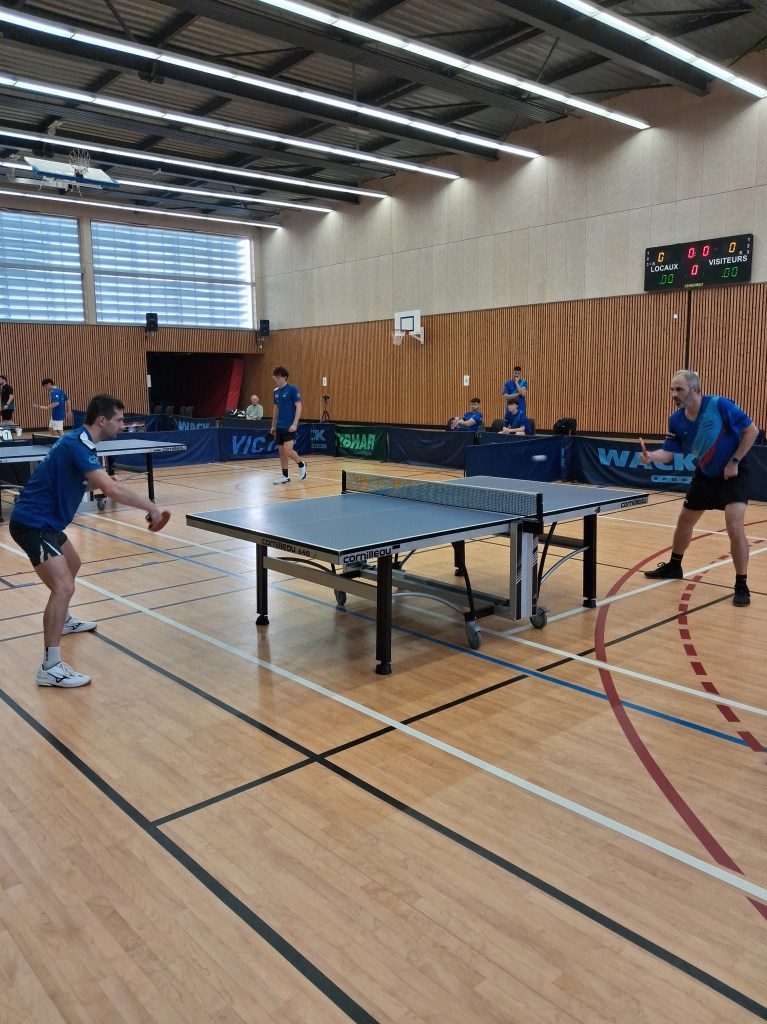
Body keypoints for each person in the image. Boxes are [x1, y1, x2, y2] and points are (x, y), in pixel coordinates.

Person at [9, 394, 167, 688]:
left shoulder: (79, 443)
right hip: (33, 523)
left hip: (47, 522)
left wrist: (104, 482)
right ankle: (50, 667)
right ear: (102, 420)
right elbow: (110, 490)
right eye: (119, 420)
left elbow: (85, 483)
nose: (122, 425)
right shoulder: (77, 444)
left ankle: (64, 619)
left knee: (73, 563)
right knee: (63, 587)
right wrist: (150, 507)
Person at [641, 369, 758, 606]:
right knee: (685, 520)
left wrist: (734, 461)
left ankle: (741, 584)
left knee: (734, 527)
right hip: (705, 474)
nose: (674, 394)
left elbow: (751, 431)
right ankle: (674, 566)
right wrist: (651, 456)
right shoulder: (676, 420)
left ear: (695, 390)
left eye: (679, 389)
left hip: (734, 472)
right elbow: (668, 454)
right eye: (672, 389)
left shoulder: (719, 405)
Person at [270, 366, 307, 484]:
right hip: (279, 426)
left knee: (288, 450)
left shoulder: (292, 389)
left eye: (278, 377)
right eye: (275, 377)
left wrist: (295, 424)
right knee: (281, 451)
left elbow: (299, 406)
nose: (276, 379)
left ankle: (301, 464)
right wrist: (273, 425)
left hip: (289, 426)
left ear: (285, 377)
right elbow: (275, 409)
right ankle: (285, 476)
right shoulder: (276, 392)